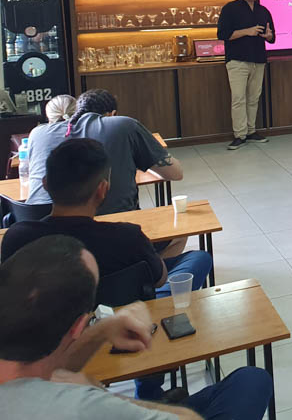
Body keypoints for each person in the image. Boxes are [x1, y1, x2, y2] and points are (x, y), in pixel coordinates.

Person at [2, 138, 214, 400]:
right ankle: (148, 389)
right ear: (103, 190)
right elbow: (160, 279)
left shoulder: (17, 237)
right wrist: (149, 257)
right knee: (197, 260)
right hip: (125, 317)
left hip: (46, 345)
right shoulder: (127, 236)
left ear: (45, 183)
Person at [0, 235, 273, 420]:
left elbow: (48, 367)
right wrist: (97, 392)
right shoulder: (81, 406)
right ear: (79, 326)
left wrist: (104, 329)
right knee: (252, 380)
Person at [25, 89, 183, 216]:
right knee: (179, 231)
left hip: (42, 229)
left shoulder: (37, 134)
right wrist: (144, 160)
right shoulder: (124, 125)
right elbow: (175, 173)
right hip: (112, 226)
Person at [216, 0, 275, 150]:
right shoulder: (230, 9)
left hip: (258, 59)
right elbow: (222, 34)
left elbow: (272, 37)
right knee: (239, 98)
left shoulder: (263, 10)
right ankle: (239, 135)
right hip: (237, 60)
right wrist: (246, 31)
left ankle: (251, 131)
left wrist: (269, 36)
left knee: (253, 98)